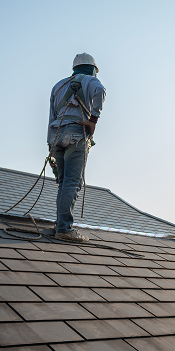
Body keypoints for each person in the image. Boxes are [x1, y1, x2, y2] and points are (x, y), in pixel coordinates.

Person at [47, 53, 106, 243]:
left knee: (63, 182)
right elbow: (100, 90)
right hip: (75, 134)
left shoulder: (58, 86)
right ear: (92, 68)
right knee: (73, 182)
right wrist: (93, 120)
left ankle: (60, 224)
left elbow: (51, 115)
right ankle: (64, 228)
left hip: (56, 136)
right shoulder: (90, 80)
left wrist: (50, 145)